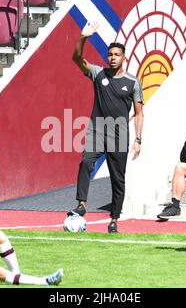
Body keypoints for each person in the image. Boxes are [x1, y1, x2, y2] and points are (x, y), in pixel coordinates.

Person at [68, 21, 144, 233]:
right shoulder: (98, 74)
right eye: (110, 54)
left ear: (124, 57)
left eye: (116, 55)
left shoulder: (133, 82)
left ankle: (114, 220)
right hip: (97, 130)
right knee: (85, 162)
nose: (112, 58)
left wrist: (138, 139)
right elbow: (76, 59)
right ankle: (82, 204)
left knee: (117, 179)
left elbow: (139, 113)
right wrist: (83, 37)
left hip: (120, 134)